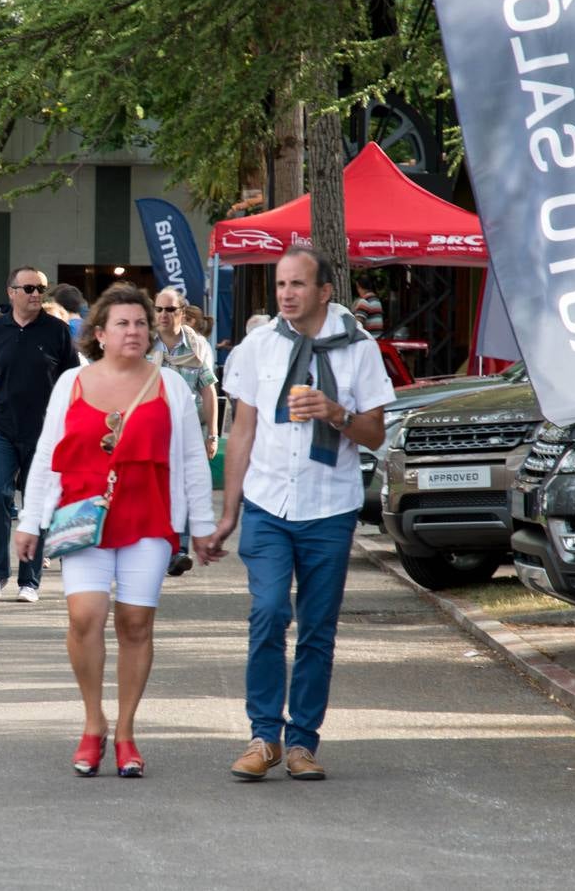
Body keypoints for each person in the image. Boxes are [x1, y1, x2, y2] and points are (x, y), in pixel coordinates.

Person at [204, 246, 394, 782]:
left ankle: (302, 742)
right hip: (267, 505)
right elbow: (242, 431)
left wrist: (336, 413)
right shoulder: (258, 346)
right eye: (281, 284)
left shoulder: (359, 349)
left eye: (298, 285)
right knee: (268, 613)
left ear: (325, 291)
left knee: (317, 628)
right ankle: (264, 736)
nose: (286, 294)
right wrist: (229, 511)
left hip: (329, 507)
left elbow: (375, 434)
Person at [15, 284, 221, 778]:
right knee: (85, 617)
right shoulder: (72, 382)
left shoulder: (170, 385)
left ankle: (126, 732)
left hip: (149, 517)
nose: (134, 331)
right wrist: (29, 522)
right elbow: (46, 454)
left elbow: (192, 459)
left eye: (140, 323)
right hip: (84, 516)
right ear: (100, 334)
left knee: (134, 624)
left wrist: (202, 527)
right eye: (122, 323)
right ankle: (93, 723)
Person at [0, 266, 80, 602]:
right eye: (29, 288)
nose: (36, 294)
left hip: (45, 431)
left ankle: (29, 581)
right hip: (3, 427)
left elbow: (71, 380)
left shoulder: (58, 331)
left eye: (41, 288)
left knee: (38, 502)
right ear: (11, 292)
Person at [149, 287, 219, 577]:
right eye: (159, 309)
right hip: (150, 426)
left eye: (170, 310)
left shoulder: (196, 345)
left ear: (181, 313)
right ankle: (159, 548)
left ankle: (179, 550)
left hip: (187, 426)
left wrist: (212, 433)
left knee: (185, 489)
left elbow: (208, 389)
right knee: (156, 489)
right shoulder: (144, 344)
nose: (163, 315)